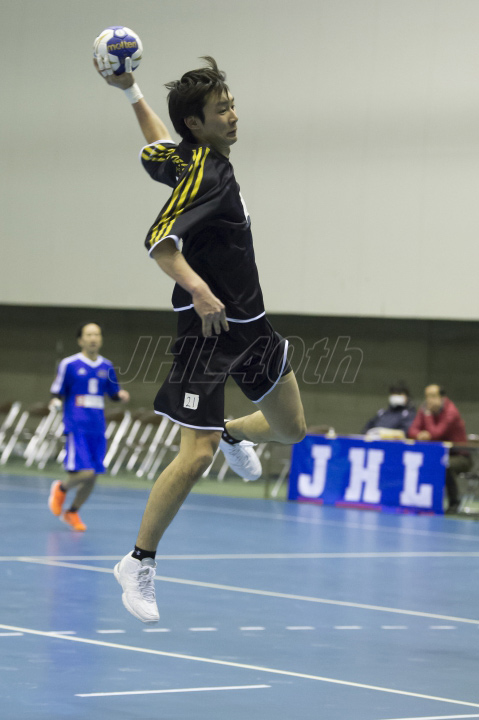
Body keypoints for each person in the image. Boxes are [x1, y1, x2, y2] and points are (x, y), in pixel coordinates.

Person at [94, 55, 306, 623]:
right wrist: (200, 290)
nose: (233, 116)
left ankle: (235, 430)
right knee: (196, 456)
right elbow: (159, 241)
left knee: (291, 429)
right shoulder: (208, 175)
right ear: (198, 122)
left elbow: (157, 143)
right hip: (207, 332)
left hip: (253, 327)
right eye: (221, 110)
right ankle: (137, 562)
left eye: (232, 105)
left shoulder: (190, 158)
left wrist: (130, 90)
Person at [48, 322, 130, 531]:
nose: (93, 338)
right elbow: (57, 391)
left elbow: (113, 392)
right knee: (85, 472)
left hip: (97, 427)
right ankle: (61, 488)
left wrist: (120, 395)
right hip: (77, 425)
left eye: (97, 334)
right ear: (80, 340)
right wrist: (55, 401)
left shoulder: (107, 366)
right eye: (89, 335)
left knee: (93, 475)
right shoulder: (69, 364)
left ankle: (72, 512)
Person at [408, 384, 472, 513]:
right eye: (427, 396)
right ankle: (423, 501)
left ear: (442, 397)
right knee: (421, 461)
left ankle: (454, 502)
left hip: (460, 457)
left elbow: (436, 433)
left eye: (433, 396)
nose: (429, 400)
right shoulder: (425, 408)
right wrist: (420, 434)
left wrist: (427, 415)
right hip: (438, 454)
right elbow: (412, 430)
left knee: (443, 464)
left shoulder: (451, 412)